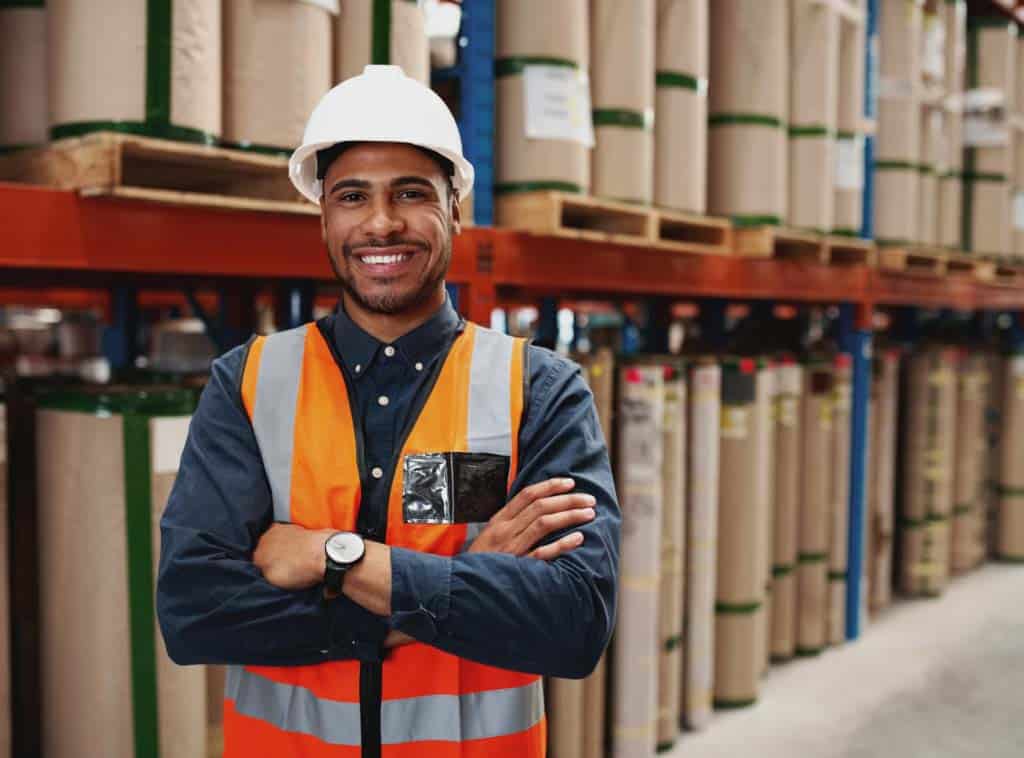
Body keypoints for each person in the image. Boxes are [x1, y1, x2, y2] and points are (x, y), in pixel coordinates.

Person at [157, 65, 620, 758]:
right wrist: (447, 593)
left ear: (454, 210)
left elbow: (573, 621)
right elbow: (196, 613)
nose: (380, 223)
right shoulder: (249, 383)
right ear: (323, 215)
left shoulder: (539, 391)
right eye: (352, 196)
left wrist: (330, 556)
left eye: (411, 193)